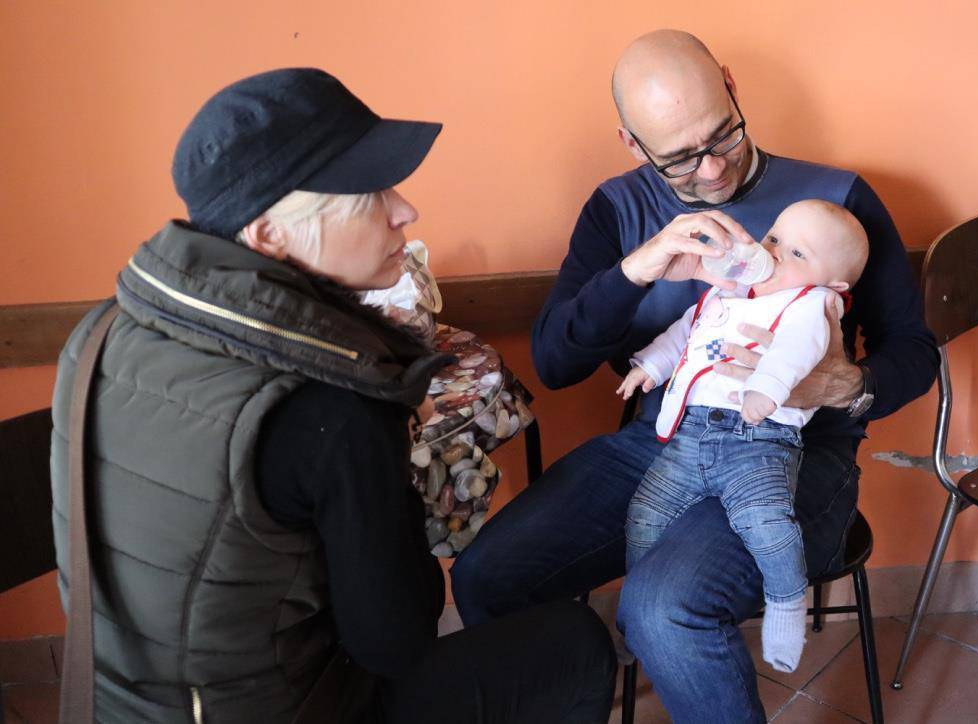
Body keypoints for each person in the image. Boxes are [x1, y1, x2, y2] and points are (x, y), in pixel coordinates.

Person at [51, 68, 616, 724]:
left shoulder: (100, 333)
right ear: (269, 235)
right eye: (369, 193)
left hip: (108, 704)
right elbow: (396, 642)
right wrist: (397, 473)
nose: (405, 210)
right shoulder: (333, 406)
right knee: (575, 645)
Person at [451, 30, 938, 723]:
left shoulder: (837, 201)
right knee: (487, 575)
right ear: (632, 144)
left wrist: (843, 385)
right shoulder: (617, 210)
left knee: (663, 608)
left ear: (732, 90)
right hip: (661, 441)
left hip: (796, 457)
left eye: (723, 137)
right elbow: (556, 364)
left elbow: (915, 351)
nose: (711, 171)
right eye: (679, 159)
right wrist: (634, 272)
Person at [617, 200, 869, 674]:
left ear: (834, 285)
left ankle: (786, 603)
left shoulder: (811, 304)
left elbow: (797, 350)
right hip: (691, 437)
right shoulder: (729, 291)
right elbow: (686, 331)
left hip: (757, 441)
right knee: (645, 513)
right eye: (774, 239)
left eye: (798, 254)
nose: (775, 253)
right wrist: (650, 365)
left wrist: (766, 390)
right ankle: (635, 615)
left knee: (766, 522)